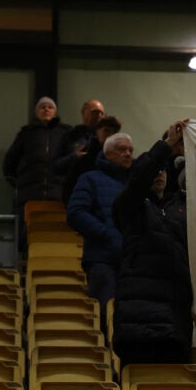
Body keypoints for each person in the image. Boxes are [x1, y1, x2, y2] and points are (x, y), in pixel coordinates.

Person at [112, 120, 193, 368]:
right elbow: (137, 181)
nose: (159, 174)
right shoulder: (130, 206)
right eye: (154, 170)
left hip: (175, 320)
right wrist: (167, 145)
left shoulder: (182, 209)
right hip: (137, 322)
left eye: (163, 170)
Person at [66, 132, 133, 316]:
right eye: (122, 149)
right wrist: (107, 234)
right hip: (102, 259)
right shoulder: (90, 179)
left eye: (130, 150)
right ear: (108, 153)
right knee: (106, 313)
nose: (128, 154)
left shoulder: (134, 183)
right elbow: (75, 213)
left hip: (131, 261)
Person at [2, 96, 72, 244]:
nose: (46, 109)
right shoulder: (26, 133)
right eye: (42, 107)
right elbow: (10, 162)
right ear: (36, 112)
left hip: (59, 195)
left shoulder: (65, 133)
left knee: (56, 236)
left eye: (50, 107)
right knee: (27, 237)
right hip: (29, 195)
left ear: (55, 112)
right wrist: (20, 183)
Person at [61, 115, 123, 204]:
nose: (110, 135)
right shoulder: (85, 159)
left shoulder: (120, 160)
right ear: (97, 133)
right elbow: (69, 190)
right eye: (106, 131)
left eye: (114, 132)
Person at [53, 99, 106, 178]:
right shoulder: (70, 136)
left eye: (102, 113)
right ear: (83, 112)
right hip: (74, 182)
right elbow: (56, 166)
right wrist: (74, 156)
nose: (99, 116)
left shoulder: (106, 139)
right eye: (95, 112)